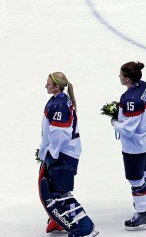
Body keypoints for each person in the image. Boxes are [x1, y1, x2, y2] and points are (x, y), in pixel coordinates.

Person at [38, 72, 98, 237]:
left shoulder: (60, 105)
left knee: (60, 194)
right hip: (63, 153)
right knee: (55, 191)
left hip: (63, 155)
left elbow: (60, 134)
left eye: (48, 83)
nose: (46, 86)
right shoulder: (58, 101)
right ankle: (58, 222)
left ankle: (86, 228)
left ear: (56, 86)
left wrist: (51, 153)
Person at [111, 62, 146, 231]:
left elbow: (129, 130)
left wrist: (115, 121)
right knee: (145, 172)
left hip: (135, 144)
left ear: (128, 79)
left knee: (135, 179)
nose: (119, 76)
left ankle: (142, 214)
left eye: (121, 74)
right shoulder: (145, 86)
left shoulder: (130, 99)